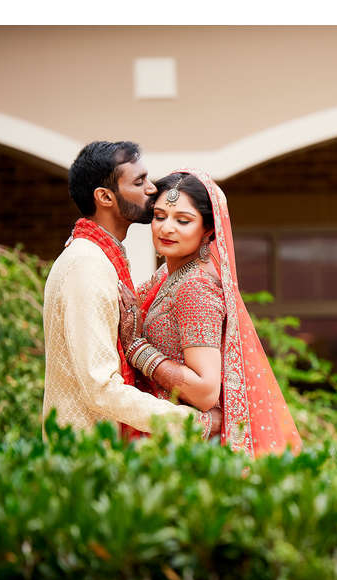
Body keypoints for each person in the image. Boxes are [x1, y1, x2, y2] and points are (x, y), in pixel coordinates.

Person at [117, 168, 302, 457]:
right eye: (160, 216)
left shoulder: (196, 288)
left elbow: (205, 391)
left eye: (183, 220)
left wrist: (137, 349)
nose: (167, 228)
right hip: (168, 439)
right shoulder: (168, 274)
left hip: (187, 452)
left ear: (209, 230)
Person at [42, 142, 221, 440]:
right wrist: (193, 424)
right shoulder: (87, 265)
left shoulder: (98, 258)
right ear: (105, 197)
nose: (151, 189)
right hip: (87, 457)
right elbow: (101, 387)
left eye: (183, 220)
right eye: (139, 182)